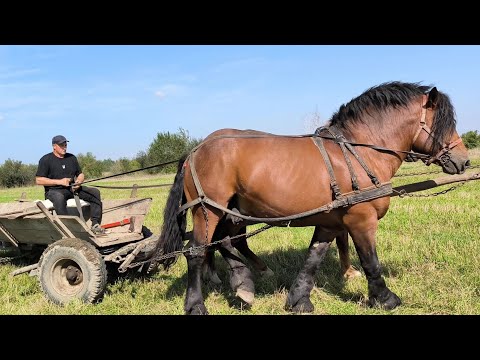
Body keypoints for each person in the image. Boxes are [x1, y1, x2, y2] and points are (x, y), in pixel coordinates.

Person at [35, 135, 106, 235]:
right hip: (54, 191)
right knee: (59, 198)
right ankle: (69, 228)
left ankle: (95, 225)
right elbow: (39, 180)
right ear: (54, 146)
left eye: (65, 145)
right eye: (61, 145)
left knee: (95, 192)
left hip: (72, 189)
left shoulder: (71, 158)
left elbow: (80, 174)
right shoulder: (45, 159)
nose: (64, 147)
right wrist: (59, 182)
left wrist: (79, 181)